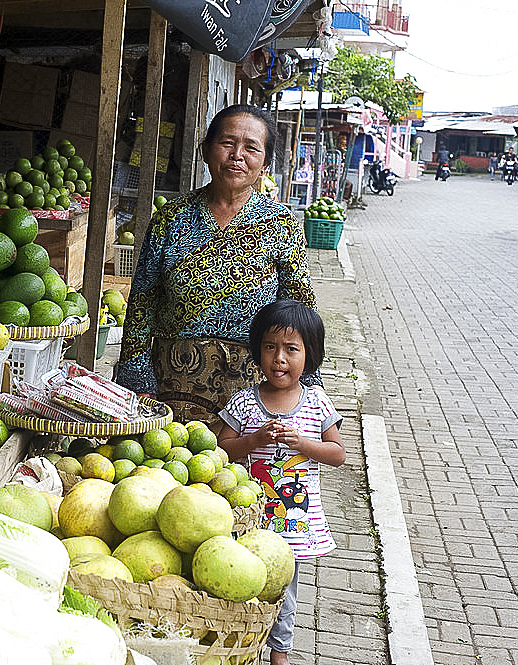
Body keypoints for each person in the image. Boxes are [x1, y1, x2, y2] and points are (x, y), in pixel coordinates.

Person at [114, 104, 318, 426]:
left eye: (251, 148)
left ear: (264, 163)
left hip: (252, 395)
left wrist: (304, 385)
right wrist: (138, 383)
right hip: (171, 387)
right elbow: (142, 303)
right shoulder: (170, 218)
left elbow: (299, 307)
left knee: (239, 474)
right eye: (227, 143)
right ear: (206, 151)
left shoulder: (282, 223)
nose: (238, 155)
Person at [216, 299, 345, 665]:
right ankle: (242, 646)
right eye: (270, 347)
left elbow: (338, 454)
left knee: (284, 590)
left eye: (291, 349)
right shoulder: (244, 403)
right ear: (258, 351)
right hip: (251, 518)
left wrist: (303, 444)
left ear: (310, 355)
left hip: (293, 521)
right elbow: (222, 448)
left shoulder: (316, 402)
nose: (279, 358)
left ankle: (280, 652)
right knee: (242, 582)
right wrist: (254, 441)